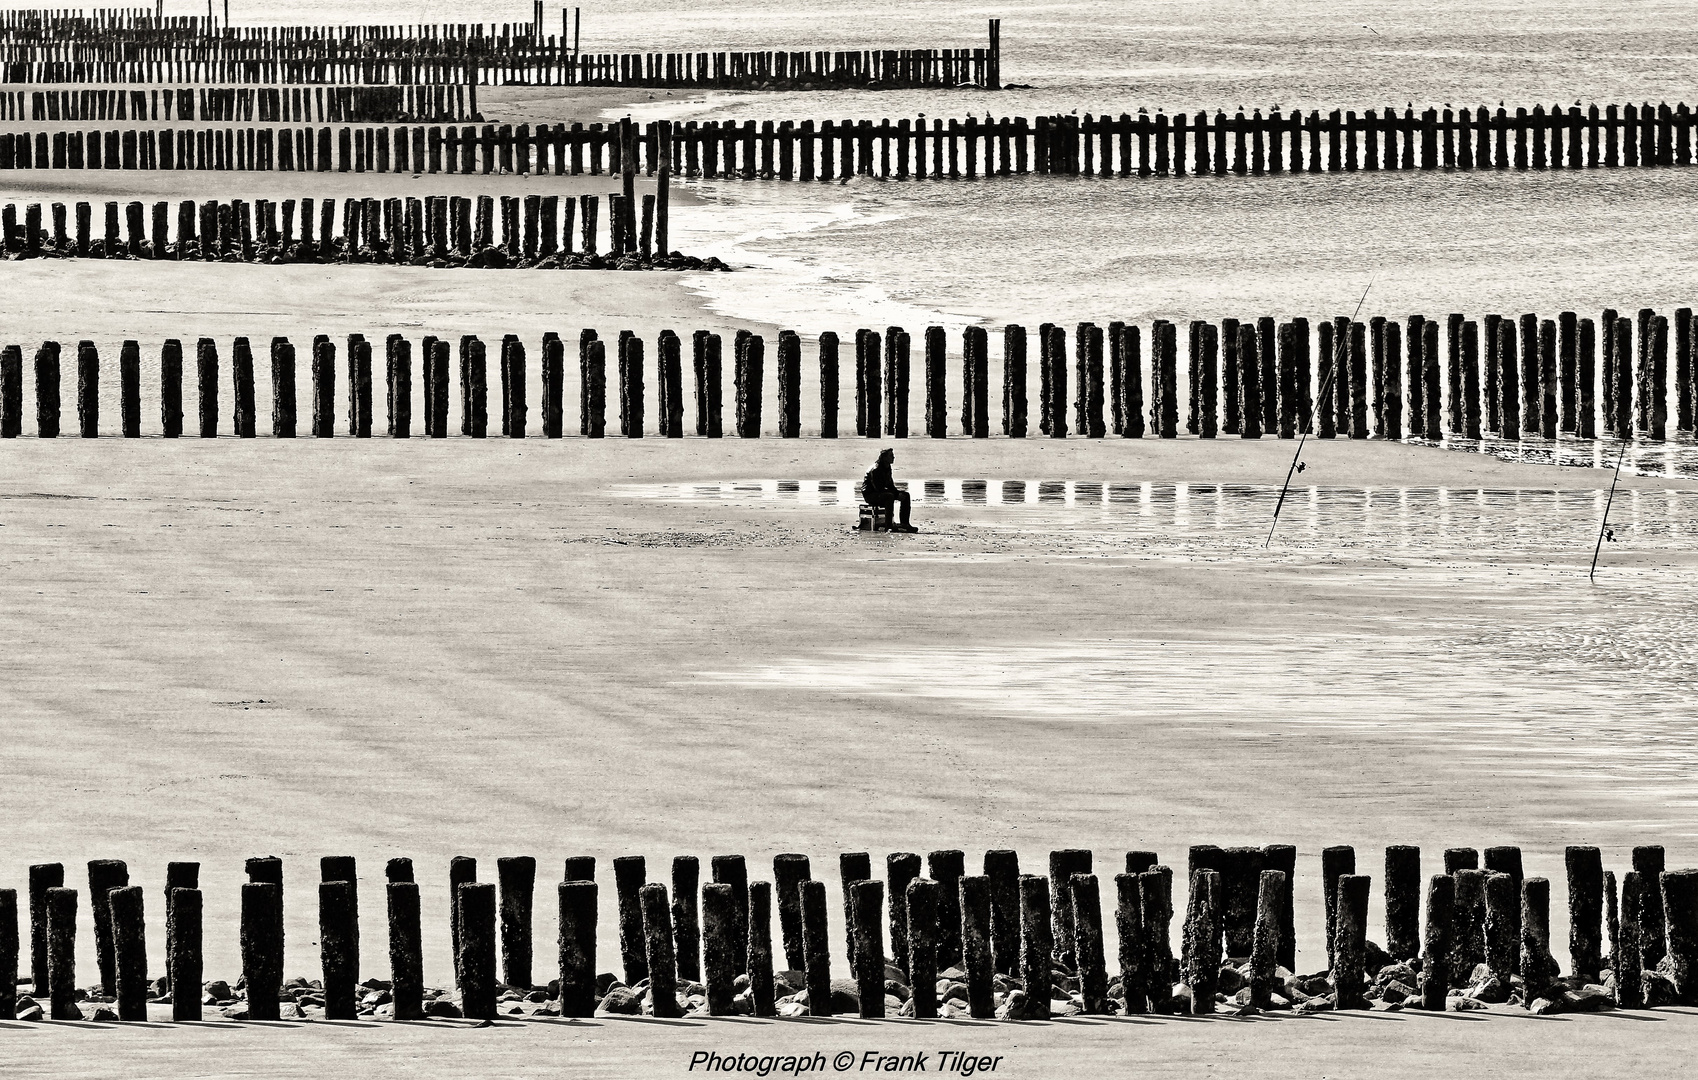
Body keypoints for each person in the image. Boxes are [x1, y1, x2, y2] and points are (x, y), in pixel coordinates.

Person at [862, 448, 916, 532]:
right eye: (891, 456)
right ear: (884, 457)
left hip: (880, 492)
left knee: (905, 495)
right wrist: (895, 494)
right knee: (889, 496)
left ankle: (905, 523)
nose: (893, 457)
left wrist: (897, 493)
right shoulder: (876, 469)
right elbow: (878, 488)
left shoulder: (887, 467)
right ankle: (889, 525)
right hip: (870, 494)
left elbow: (890, 485)